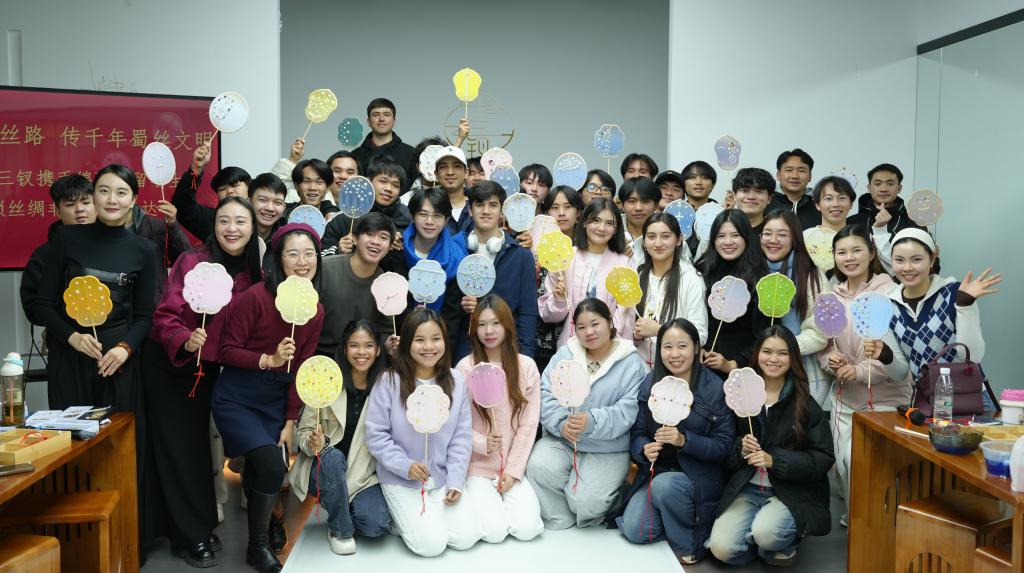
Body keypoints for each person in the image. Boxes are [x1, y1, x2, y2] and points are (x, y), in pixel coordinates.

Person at [142, 197, 263, 567]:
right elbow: (165, 316)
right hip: (172, 365)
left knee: (199, 451)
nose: (231, 228)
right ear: (214, 225)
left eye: (240, 221)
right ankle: (189, 536)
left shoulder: (255, 270)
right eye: (224, 220)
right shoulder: (193, 261)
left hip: (208, 369)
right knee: (179, 451)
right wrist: (185, 338)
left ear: (252, 228)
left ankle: (198, 524)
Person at [212, 223, 325, 573]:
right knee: (272, 466)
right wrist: (269, 359)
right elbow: (226, 350)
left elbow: (301, 369)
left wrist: (290, 419)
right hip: (237, 397)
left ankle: (273, 517)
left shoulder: (316, 311)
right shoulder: (255, 298)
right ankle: (257, 546)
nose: (302, 262)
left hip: (275, 401)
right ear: (277, 260)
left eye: (309, 254)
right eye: (293, 254)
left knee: (265, 466)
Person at [30, 164, 157, 411]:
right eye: (104, 191)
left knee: (118, 434)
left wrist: (125, 349)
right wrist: (72, 337)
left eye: (121, 193)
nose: (112, 199)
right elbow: (42, 305)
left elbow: (145, 317)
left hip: (117, 361)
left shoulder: (145, 250)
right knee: (71, 434)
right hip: (70, 358)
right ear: (94, 196)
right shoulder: (66, 239)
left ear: (133, 200)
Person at [707, 327, 835, 567]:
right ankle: (761, 544)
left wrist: (775, 460)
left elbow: (823, 457)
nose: (773, 359)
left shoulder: (805, 403)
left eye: (782, 353)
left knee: (767, 533)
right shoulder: (739, 396)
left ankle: (781, 541)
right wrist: (740, 448)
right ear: (756, 354)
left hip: (788, 491)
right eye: (767, 351)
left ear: (792, 357)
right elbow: (723, 446)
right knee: (721, 549)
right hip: (746, 488)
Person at [617, 319, 734, 565]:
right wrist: (643, 449)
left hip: (697, 477)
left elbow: (724, 447)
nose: (675, 354)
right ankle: (672, 515)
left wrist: (684, 440)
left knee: (665, 486)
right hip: (657, 472)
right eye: (667, 347)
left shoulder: (715, 389)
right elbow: (637, 433)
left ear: (696, 347)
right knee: (635, 530)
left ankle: (688, 545)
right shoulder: (652, 383)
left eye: (682, 346)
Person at [364, 308, 478, 557]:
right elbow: (376, 435)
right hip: (401, 479)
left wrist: (456, 480)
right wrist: (406, 466)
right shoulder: (389, 382)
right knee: (431, 546)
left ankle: (425, 518)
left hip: (441, 477)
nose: (428, 347)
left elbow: (461, 438)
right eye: (419, 340)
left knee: (467, 537)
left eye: (436, 339)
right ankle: (399, 518)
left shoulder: (457, 381)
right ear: (407, 343)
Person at [527, 298, 646, 529]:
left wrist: (591, 422)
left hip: (607, 448)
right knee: (538, 466)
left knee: (587, 503)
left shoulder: (631, 363)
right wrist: (561, 423)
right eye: (581, 327)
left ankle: (597, 507)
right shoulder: (566, 354)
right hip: (563, 440)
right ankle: (562, 518)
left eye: (595, 324)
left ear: (610, 322)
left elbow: (628, 409)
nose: (588, 332)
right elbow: (545, 392)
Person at [818, 224, 909, 527]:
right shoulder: (830, 296)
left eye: (856, 250)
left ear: (871, 253)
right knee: (843, 466)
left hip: (885, 400)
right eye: (842, 252)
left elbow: (896, 355)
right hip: (845, 400)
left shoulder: (890, 294)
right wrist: (830, 361)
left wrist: (857, 371)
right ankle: (858, 521)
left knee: (860, 463)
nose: (849, 258)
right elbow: (824, 346)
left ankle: (870, 526)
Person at [288, 320, 391, 555]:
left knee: (375, 526)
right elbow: (303, 433)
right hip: (323, 469)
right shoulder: (325, 382)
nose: (361, 352)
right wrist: (312, 443)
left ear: (378, 350)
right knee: (332, 456)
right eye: (354, 345)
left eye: (368, 345)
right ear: (344, 349)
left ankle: (340, 506)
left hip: (363, 475)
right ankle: (340, 531)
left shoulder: (385, 387)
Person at [455, 295, 544, 543]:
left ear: (507, 325)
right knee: (494, 532)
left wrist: (513, 471)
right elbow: (457, 424)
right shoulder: (465, 368)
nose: (489, 331)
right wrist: (482, 443)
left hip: (512, 467)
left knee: (527, 529)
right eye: (482, 325)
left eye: (495, 323)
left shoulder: (526, 366)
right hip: (478, 468)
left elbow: (528, 424)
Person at [872, 229, 1001, 400]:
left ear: (932, 259)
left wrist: (965, 306)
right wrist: (886, 356)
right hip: (926, 402)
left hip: (969, 400)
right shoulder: (888, 306)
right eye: (899, 260)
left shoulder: (956, 294)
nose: (907, 268)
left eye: (916, 259)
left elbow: (973, 357)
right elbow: (900, 374)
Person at [451, 181, 539, 360]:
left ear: (502, 211)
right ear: (470, 210)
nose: (486, 211)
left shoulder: (520, 254)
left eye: (492, 205)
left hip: (508, 351)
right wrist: (462, 306)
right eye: (479, 205)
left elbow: (528, 312)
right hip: (466, 349)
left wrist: (526, 358)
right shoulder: (455, 249)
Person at [538, 198, 635, 348]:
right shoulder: (565, 257)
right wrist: (559, 299)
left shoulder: (624, 263)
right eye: (595, 220)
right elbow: (549, 315)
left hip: (611, 347)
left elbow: (626, 315)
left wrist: (605, 343)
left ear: (616, 229)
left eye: (609, 223)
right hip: (571, 346)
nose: (601, 228)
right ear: (584, 222)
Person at [759, 210, 830, 407]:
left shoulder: (811, 275)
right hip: (760, 369)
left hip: (804, 373)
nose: (773, 240)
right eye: (767, 233)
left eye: (782, 234)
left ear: (795, 239)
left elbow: (820, 333)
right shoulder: (754, 270)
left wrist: (780, 350)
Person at [696, 209, 770, 379]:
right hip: (701, 369)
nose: (728, 242)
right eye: (721, 236)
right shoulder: (701, 271)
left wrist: (733, 364)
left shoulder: (760, 278)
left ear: (746, 238)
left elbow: (765, 334)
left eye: (735, 235)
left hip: (741, 372)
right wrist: (697, 347)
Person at [316, 213, 398, 358]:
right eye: (369, 234)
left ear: (390, 246)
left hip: (361, 359)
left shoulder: (387, 285)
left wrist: (389, 344)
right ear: (354, 238)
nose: (375, 242)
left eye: (383, 237)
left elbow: (385, 331)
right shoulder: (326, 268)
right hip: (319, 355)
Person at [22, 174, 96, 331]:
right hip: (63, 340)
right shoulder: (43, 255)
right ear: (57, 211)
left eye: (86, 202)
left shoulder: (116, 245)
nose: (80, 209)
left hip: (116, 341)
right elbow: (32, 308)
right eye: (70, 204)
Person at [633, 214, 708, 368]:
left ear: (679, 240)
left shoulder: (691, 279)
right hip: (638, 367)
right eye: (651, 236)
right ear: (644, 242)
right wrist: (635, 335)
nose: (658, 243)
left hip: (675, 367)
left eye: (665, 236)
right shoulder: (637, 275)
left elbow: (700, 334)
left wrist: (661, 331)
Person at [398, 188, 467, 335]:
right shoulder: (397, 251)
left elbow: (453, 316)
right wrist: (410, 316)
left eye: (437, 215)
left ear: (446, 220)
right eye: (423, 214)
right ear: (412, 216)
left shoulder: (456, 259)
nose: (429, 222)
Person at [534, 186, 585, 373]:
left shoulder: (586, 249)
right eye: (555, 207)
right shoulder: (534, 247)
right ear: (547, 212)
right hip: (542, 339)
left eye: (568, 207)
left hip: (579, 338)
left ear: (578, 212)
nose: (561, 213)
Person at [321, 157, 410, 263]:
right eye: (383, 181)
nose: (388, 189)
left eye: (395, 185)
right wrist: (338, 250)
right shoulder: (344, 217)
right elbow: (320, 257)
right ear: (369, 181)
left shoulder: (408, 221)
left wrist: (403, 243)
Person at [846, 163, 923, 273]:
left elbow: (927, 266)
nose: (883, 189)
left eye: (890, 184)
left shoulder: (913, 223)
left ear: (899, 188)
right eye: (878, 184)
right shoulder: (852, 222)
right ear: (869, 188)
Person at [172, 142, 251, 242]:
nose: (229, 191)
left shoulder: (261, 215)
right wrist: (196, 168)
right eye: (222, 189)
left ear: (249, 187)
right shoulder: (209, 219)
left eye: (235, 185)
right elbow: (182, 205)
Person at [351, 97, 416, 193]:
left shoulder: (411, 154)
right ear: (368, 121)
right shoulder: (354, 156)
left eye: (386, 114)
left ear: (394, 121)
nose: (381, 119)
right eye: (376, 115)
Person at [769, 149, 819, 230]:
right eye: (789, 170)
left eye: (801, 171)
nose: (795, 176)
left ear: (810, 176)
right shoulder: (766, 201)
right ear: (778, 175)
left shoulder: (819, 204)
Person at [433, 146, 473, 234]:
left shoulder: (478, 204)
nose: (450, 172)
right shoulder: (427, 205)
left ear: (466, 172)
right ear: (436, 174)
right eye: (443, 167)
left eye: (457, 166)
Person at [731, 168, 776, 237]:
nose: (751, 197)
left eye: (759, 191)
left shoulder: (777, 230)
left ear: (769, 198)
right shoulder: (722, 228)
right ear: (734, 195)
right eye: (745, 190)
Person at [618, 177, 661, 248]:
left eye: (645, 201)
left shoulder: (667, 232)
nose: (638, 208)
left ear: (656, 205)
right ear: (622, 205)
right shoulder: (612, 230)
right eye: (632, 201)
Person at [248, 173, 288, 245]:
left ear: (283, 207)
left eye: (277, 202)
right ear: (249, 202)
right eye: (263, 200)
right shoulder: (236, 233)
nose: (270, 208)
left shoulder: (287, 238)